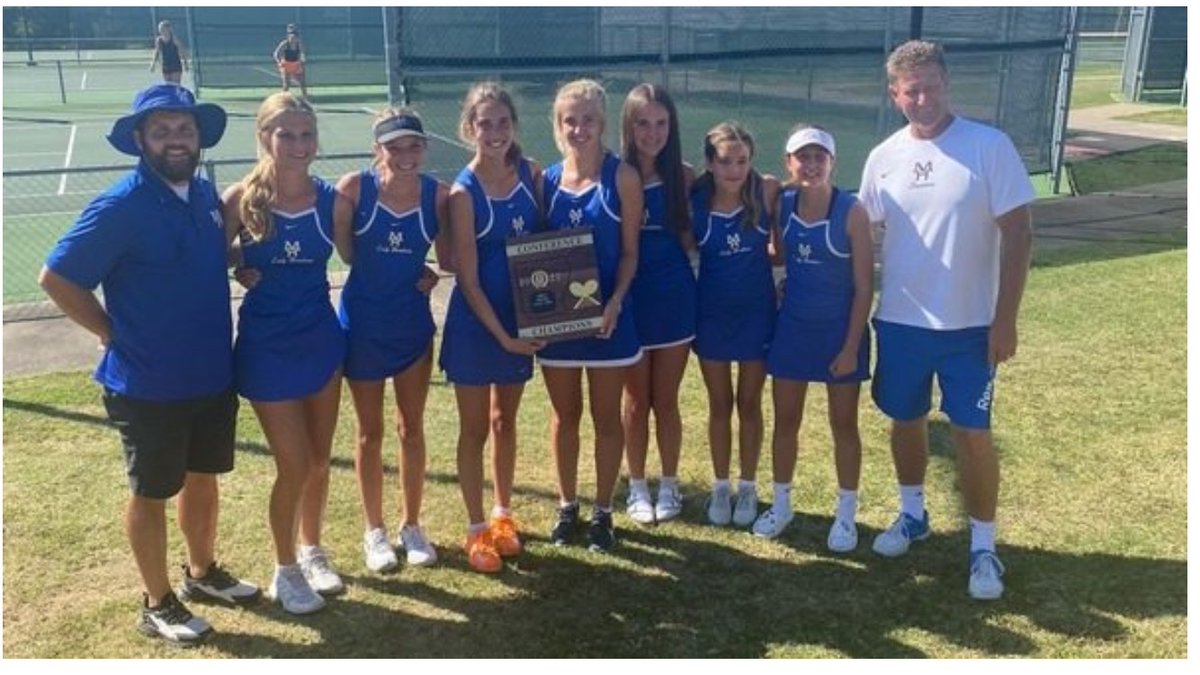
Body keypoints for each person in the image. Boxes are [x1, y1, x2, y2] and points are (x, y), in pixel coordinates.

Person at [38, 83, 260, 647]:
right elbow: (58, 278)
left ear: (198, 136)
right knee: (152, 492)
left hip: (211, 372)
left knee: (203, 479)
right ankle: (156, 601)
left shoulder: (206, 196)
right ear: (140, 139)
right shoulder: (121, 205)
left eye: (183, 128)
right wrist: (113, 333)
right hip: (146, 382)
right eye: (161, 130)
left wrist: (238, 262)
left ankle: (202, 574)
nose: (175, 139)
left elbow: (202, 256)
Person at [857, 40, 1034, 600]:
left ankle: (983, 547)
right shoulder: (883, 156)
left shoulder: (989, 146)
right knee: (904, 421)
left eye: (931, 85)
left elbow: (1020, 233)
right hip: (902, 323)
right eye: (911, 89)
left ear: (946, 83)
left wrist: (1004, 320)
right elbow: (862, 235)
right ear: (895, 94)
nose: (923, 98)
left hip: (970, 329)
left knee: (971, 435)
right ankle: (913, 515)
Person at [222, 92, 346, 614]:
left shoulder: (332, 200)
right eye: (286, 134)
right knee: (292, 465)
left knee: (318, 460)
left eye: (306, 134)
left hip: (321, 341)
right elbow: (207, 256)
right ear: (264, 137)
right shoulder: (240, 200)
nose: (298, 145)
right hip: (267, 347)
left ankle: (311, 548)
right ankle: (285, 570)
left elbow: (365, 258)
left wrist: (426, 272)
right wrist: (235, 262)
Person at [333, 107, 449, 573]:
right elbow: (345, 251)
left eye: (413, 146)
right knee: (369, 432)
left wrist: (432, 272)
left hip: (411, 327)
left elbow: (450, 258)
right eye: (394, 147)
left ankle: (411, 524)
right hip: (362, 325)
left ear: (424, 148)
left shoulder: (438, 197)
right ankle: (374, 531)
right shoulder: (353, 189)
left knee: (411, 427)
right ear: (377, 149)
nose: (405, 156)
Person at [439, 82, 545, 572]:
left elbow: (549, 250)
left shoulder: (533, 175)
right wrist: (505, 337)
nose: (496, 132)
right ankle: (476, 529)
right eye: (485, 124)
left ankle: (503, 515)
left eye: (503, 122)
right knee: (475, 428)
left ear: (513, 126)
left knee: (506, 422)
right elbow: (468, 276)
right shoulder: (463, 192)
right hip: (478, 324)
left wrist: (548, 313)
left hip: (522, 323)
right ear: (469, 129)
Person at [752, 125, 873, 549]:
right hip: (793, 331)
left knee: (844, 425)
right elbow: (780, 254)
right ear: (789, 163)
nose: (811, 164)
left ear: (833, 163)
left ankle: (845, 516)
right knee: (786, 421)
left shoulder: (852, 212)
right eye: (802, 157)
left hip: (840, 334)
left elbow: (864, 287)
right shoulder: (782, 205)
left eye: (819, 157)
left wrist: (850, 347)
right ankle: (781, 504)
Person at [540, 79, 644, 552]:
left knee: (606, 417)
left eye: (588, 120)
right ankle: (567, 507)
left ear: (603, 123)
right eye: (570, 120)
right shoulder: (545, 182)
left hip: (606, 323)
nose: (579, 128)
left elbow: (629, 254)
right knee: (565, 416)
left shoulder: (621, 178)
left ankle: (603, 512)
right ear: (558, 126)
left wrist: (616, 301)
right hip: (560, 327)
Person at [691, 122, 779, 529]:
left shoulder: (767, 192)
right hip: (711, 316)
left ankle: (748, 486)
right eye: (725, 161)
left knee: (749, 404)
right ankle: (721, 486)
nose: (734, 170)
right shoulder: (695, 201)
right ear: (710, 163)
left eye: (742, 161)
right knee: (719, 404)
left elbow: (782, 247)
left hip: (757, 316)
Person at [618, 83, 697, 526]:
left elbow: (692, 236)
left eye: (661, 123)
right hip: (628, 299)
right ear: (629, 126)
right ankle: (636, 487)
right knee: (634, 401)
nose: (652, 133)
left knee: (665, 400)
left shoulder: (684, 177)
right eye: (643, 123)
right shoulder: (613, 173)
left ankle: (668, 484)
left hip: (673, 299)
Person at [273, 24, 307, 99]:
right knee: (286, 85)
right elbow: (276, 54)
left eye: (295, 36)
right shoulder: (284, 44)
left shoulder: (299, 44)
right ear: (288, 37)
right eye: (291, 36)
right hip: (286, 65)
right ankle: (283, 100)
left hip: (296, 65)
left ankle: (306, 100)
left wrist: (302, 62)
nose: (293, 38)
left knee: (302, 83)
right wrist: (278, 62)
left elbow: (302, 54)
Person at [149, 20, 187, 84]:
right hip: (166, 66)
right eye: (160, 29)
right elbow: (156, 52)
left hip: (175, 65)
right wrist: (153, 64)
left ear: (168, 29)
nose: (161, 31)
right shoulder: (159, 40)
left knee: (175, 86)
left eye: (163, 29)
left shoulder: (174, 39)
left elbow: (182, 50)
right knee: (168, 87)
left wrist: (185, 63)